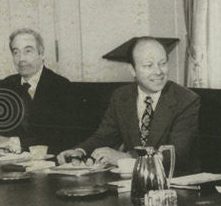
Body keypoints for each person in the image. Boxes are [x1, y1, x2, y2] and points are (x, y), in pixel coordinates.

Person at [57, 37, 199, 174]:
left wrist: (126, 158)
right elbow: (104, 136)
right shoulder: (121, 97)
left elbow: (176, 154)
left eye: (163, 63)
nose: (158, 71)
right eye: (148, 66)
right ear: (132, 70)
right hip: (131, 181)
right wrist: (80, 151)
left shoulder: (186, 100)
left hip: (171, 181)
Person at [0, 28, 74, 153]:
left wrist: (13, 142)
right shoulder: (7, 85)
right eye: (16, 52)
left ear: (41, 54)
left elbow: (61, 137)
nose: (21, 59)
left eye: (28, 51)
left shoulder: (61, 87)